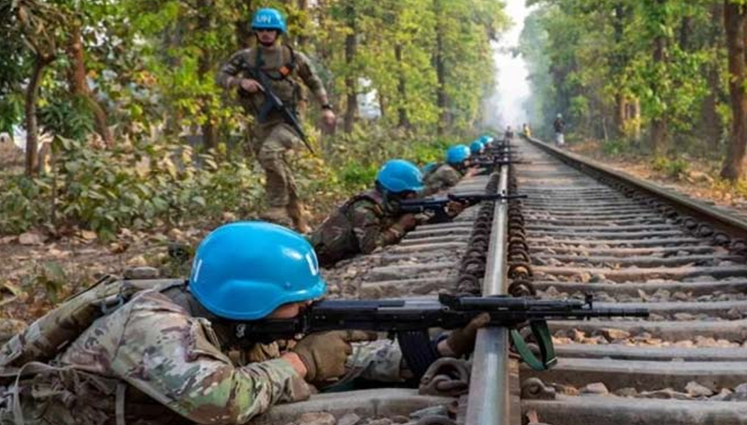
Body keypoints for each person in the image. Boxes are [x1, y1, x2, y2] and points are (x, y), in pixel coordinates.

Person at [0, 222, 486, 425]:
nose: (307, 312)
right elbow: (220, 402)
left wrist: (439, 350)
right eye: (296, 303)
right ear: (251, 301)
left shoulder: (234, 321)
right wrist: (298, 362)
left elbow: (343, 361)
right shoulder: (154, 323)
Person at [217, 8, 335, 233]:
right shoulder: (246, 57)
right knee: (274, 165)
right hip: (263, 120)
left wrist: (326, 108)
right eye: (261, 30)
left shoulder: (293, 57)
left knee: (270, 154)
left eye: (270, 30)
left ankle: (277, 207)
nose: (266, 34)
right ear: (256, 32)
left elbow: (314, 82)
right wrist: (240, 83)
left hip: (289, 120)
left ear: (278, 31)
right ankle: (299, 218)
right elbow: (221, 77)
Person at [310, 160, 423, 266]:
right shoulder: (364, 207)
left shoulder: (388, 204)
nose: (412, 198)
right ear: (394, 191)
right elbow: (370, 246)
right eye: (408, 194)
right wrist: (399, 226)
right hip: (316, 256)